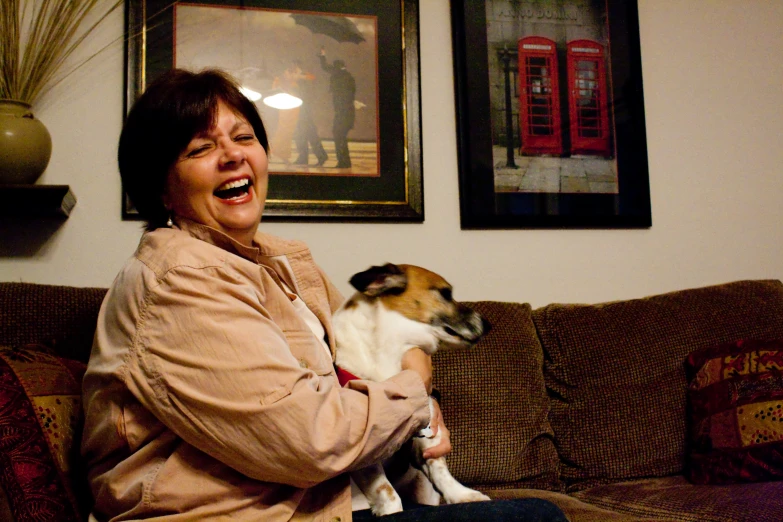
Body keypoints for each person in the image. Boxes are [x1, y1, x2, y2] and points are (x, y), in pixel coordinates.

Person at [81, 68, 568, 522]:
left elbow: (365, 352)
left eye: (245, 137)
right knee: (539, 517)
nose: (233, 155)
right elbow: (310, 441)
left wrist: (419, 389)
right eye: (200, 148)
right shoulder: (182, 279)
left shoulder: (278, 260)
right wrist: (415, 390)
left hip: (328, 501)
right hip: (248, 512)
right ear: (161, 187)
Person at [319, 47, 356, 169]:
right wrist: (323, 56)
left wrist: (323, 57)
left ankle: (343, 162)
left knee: (338, 135)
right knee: (340, 136)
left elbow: (326, 68)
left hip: (342, 113)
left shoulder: (340, 76)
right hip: (347, 113)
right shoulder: (347, 77)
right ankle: (345, 162)